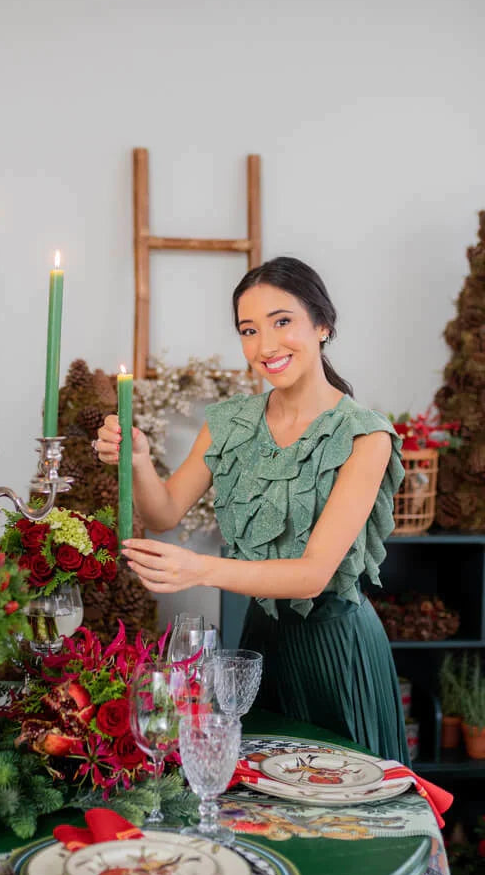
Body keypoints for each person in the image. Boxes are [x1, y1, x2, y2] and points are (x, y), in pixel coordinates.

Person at [95, 256, 409, 765]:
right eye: (249, 330)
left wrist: (199, 569)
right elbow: (164, 513)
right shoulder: (229, 422)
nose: (265, 346)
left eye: (282, 321)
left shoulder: (364, 435)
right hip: (257, 646)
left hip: (338, 652)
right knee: (258, 794)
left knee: (345, 798)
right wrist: (138, 460)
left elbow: (311, 575)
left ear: (323, 324)